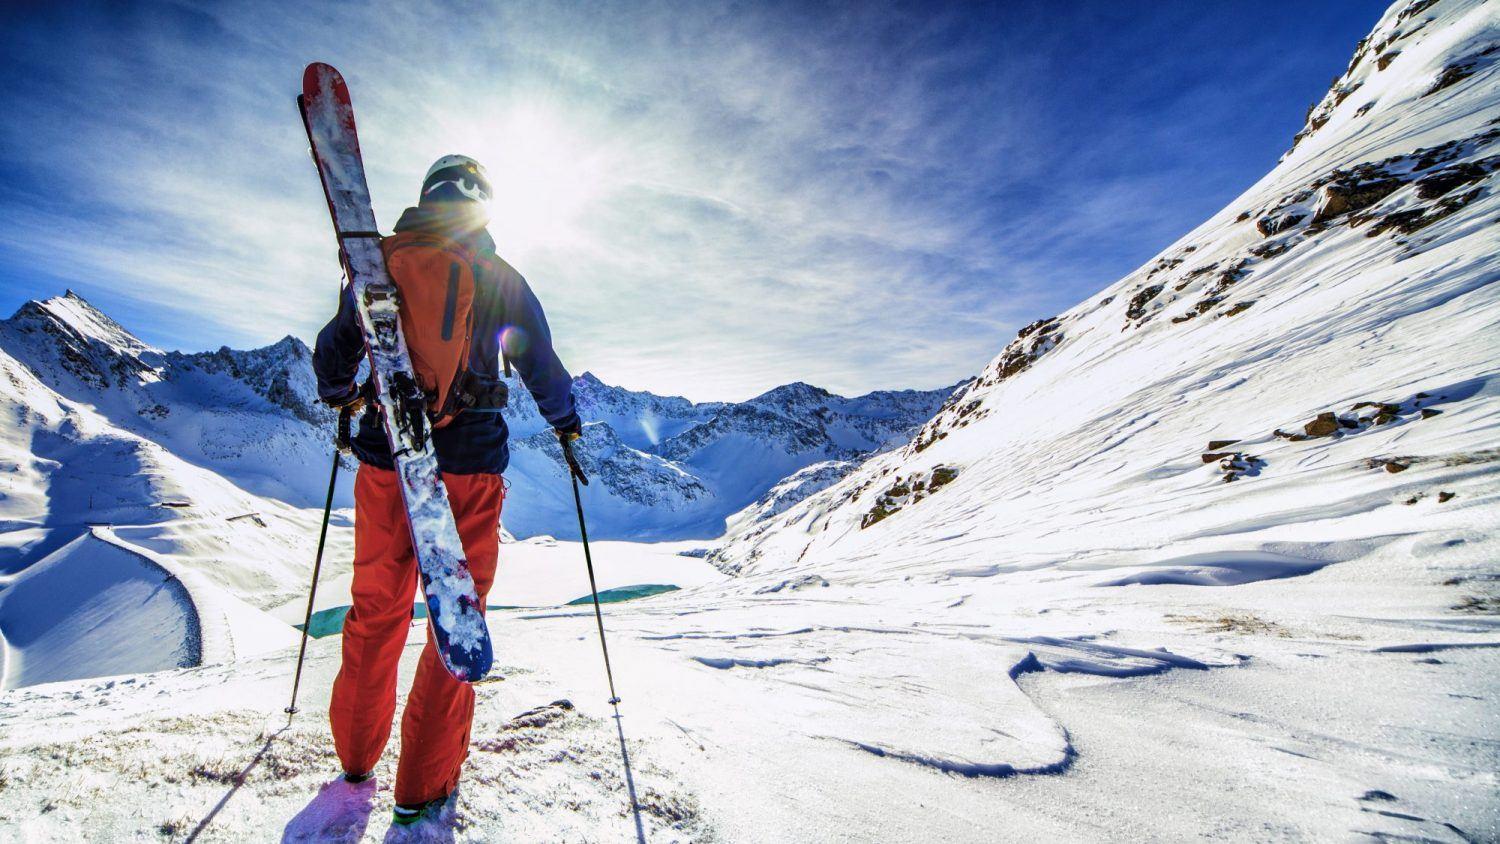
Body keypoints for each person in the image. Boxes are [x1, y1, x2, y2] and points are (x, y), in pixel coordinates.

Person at [312, 154, 582, 826]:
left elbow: (335, 352)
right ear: (481, 202)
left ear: (426, 197)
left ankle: (356, 758)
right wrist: (565, 422)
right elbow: (538, 361)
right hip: (469, 469)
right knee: (454, 621)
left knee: (376, 610)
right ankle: (422, 787)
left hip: (387, 462)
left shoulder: (381, 262)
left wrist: (343, 396)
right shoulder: (498, 275)